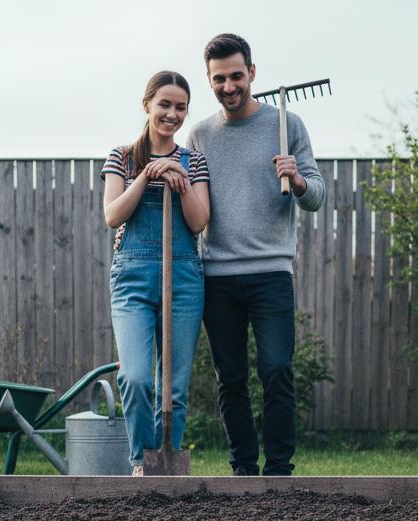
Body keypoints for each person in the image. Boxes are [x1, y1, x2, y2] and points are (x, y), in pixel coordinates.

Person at [188, 33, 325, 477]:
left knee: (277, 369)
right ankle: (244, 471)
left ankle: (279, 470)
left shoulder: (287, 124)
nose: (228, 86)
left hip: (271, 272)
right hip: (218, 275)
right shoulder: (201, 135)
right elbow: (193, 202)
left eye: (235, 75)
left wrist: (298, 180)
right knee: (230, 379)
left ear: (252, 72)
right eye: (218, 79)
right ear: (209, 80)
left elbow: (318, 196)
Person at [102, 71, 211, 476]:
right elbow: (113, 215)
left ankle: (168, 461)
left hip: (183, 276)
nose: (172, 113)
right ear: (146, 104)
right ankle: (141, 461)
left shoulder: (195, 160)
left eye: (180, 107)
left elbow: (199, 224)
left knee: (174, 388)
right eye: (164, 104)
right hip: (132, 276)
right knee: (134, 377)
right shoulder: (122, 157)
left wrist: (180, 183)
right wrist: (149, 174)